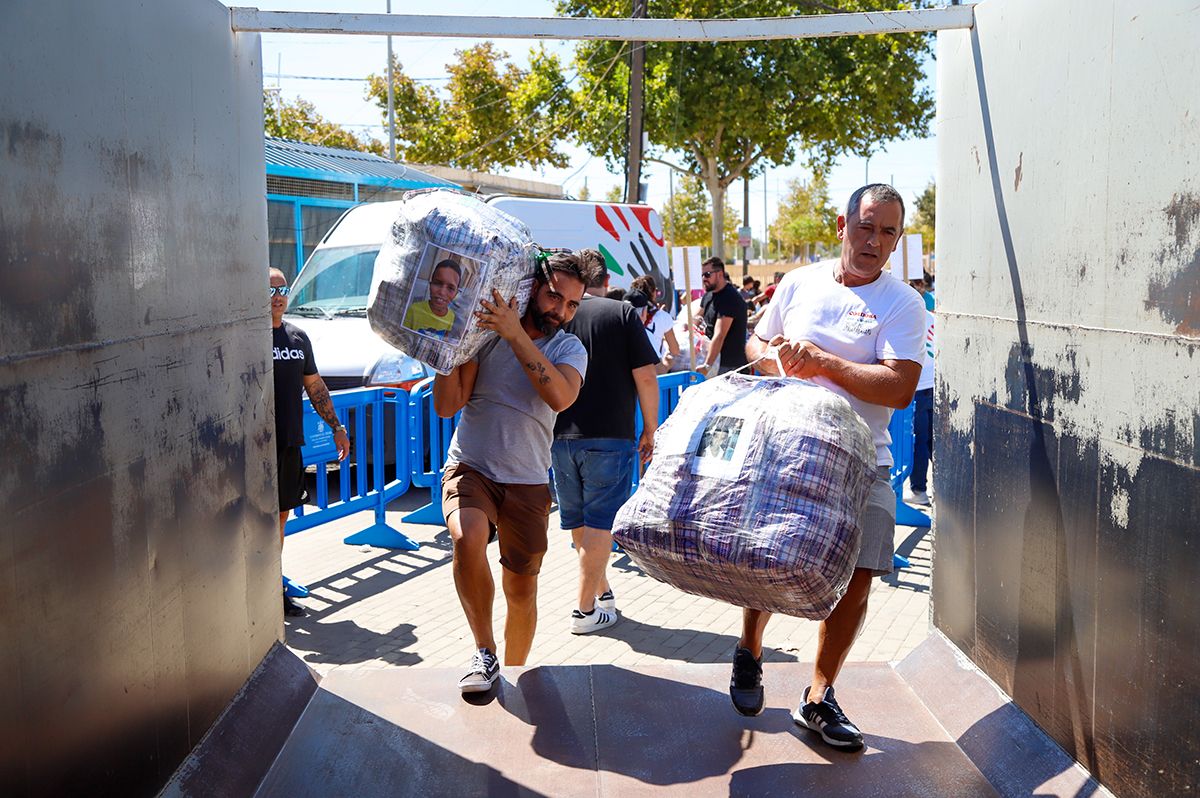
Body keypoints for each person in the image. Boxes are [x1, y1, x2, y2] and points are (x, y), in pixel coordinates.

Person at [729, 184, 926, 751]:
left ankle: (818, 696)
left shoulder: (904, 304)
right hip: (789, 448)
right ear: (843, 227)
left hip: (866, 461)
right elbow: (755, 346)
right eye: (866, 227)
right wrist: (773, 358)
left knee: (860, 578)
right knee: (769, 560)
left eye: (888, 231)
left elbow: (899, 386)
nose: (875, 241)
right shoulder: (799, 282)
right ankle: (750, 650)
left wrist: (820, 361)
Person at [433, 252, 597, 693]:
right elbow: (448, 405)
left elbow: (560, 397)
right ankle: (484, 651)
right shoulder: (486, 334)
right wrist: (444, 350)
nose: (560, 312)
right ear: (532, 289)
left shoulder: (568, 347)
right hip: (472, 465)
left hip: (527, 482)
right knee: (467, 539)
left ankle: (516, 670)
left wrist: (514, 336)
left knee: (520, 592)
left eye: (572, 305)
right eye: (553, 297)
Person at [553, 251, 660, 634]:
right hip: (610, 436)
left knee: (580, 522)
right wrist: (651, 428)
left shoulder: (555, 311)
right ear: (607, 281)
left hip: (560, 435)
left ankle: (603, 594)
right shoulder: (622, 313)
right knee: (600, 524)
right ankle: (583, 611)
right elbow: (646, 377)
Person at [270, 267, 350, 617]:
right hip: (253, 449)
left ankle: (274, 587)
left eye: (283, 288)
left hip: (289, 443)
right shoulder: (245, 336)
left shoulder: (298, 338)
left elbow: (315, 388)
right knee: (254, 522)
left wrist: (336, 426)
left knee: (281, 518)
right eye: (270, 289)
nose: (278, 295)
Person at [698, 257, 748, 375]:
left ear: (719, 274)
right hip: (714, 361)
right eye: (702, 275)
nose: (704, 279)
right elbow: (696, 320)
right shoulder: (708, 296)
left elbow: (719, 335)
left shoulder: (729, 297)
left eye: (707, 274)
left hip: (729, 366)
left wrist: (707, 365)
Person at [907, 306, 936, 506]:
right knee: (929, 440)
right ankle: (943, 488)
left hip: (916, 385)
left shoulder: (910, 316)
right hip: (931, 383)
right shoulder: (931, 317)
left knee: (919, 441)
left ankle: (919, 489)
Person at [629, 274, 680, 371]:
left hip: (630, 367)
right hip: (653, 367)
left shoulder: (624, 315)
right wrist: (666, 365)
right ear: (653, 293)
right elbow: (675, 350)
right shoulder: (663, 317)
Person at [403, 258, 461, 339]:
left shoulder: (451, 316)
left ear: (456, 294)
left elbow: (444, 337)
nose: (442, 292)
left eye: (450, 288)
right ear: (430, 285)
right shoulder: (414, 310)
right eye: (437, 283)